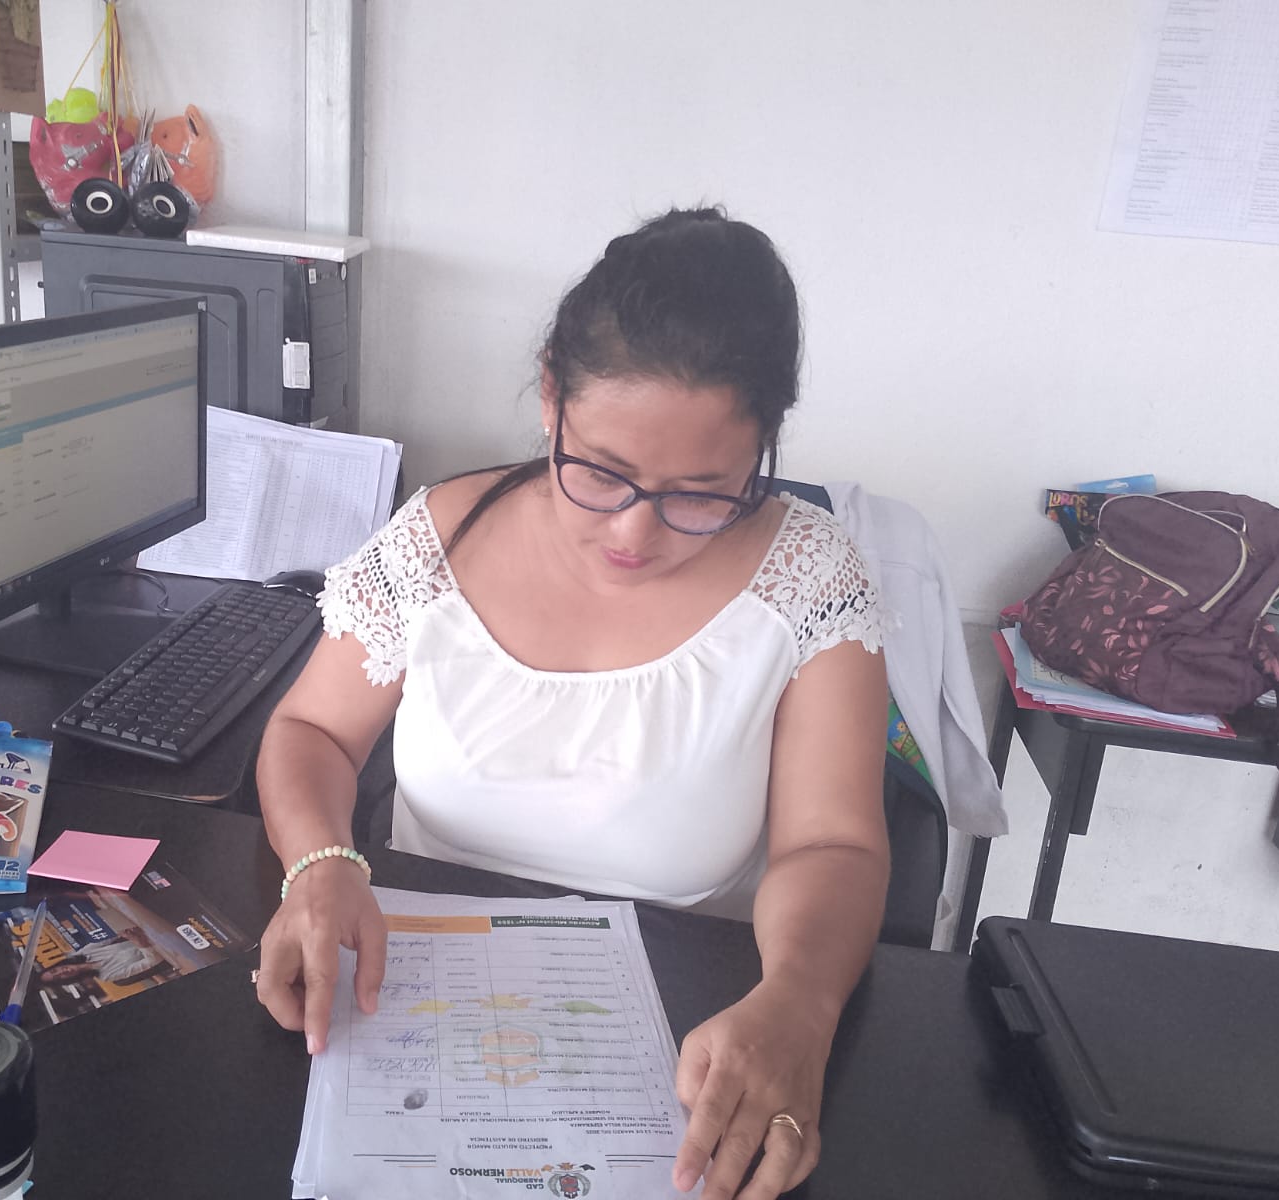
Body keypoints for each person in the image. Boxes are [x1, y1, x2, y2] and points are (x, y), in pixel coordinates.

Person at [253, 207, 890, 1200]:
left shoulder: (809, 578)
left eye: (700, 493)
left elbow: (833, 843)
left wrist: (801, 1005)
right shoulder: (439, 538)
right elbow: (313, 731)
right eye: (600, 472)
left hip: (688, 1029)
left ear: (763, 445)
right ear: (551, 397)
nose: (634, 533)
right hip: (411, 1017)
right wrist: (319, 863)